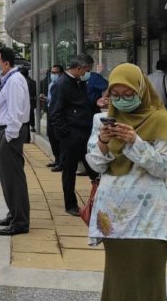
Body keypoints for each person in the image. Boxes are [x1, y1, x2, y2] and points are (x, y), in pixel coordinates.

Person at [86, 63, 167, 301]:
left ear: (141, 90)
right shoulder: (103, 119)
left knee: (148, 279)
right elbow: (96, 165)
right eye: (115, 95)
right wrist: (103, 143)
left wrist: (135, 142)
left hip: (149, 218)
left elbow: (165, 168)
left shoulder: (161, 119)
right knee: (117, 278)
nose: (121, 100)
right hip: (113, 218)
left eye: (128, 94)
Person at [49, 54, 99, 216]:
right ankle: (70, 204)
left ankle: (99, 199)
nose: (87, 73)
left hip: (85, 133)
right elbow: (55, 113)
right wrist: (66, 134)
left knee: (94, 168)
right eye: (87, 70)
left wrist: (96, 104)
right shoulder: (62, 84)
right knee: (69, 172)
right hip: (71, 135)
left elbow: (82, 104)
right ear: (79, 68)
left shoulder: (80, 83)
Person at [0, 47, 31, 236]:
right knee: (7, 178)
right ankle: (13, 214)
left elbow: (16, 112)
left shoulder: (14, 81)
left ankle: (20, 221)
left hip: (8, 133)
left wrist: (8, 136)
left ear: (6, 63)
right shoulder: (9, 80)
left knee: (13, 179)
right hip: (4, 132)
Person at [41, 65, 64, 172]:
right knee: (51, 136)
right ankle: (57, 159)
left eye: (56, 73)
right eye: (52, 72)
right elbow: (51, 99)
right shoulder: (51, 84)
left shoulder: (62, 85)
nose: (53, 75)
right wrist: (45, 98)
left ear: (61, 74)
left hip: (59, 114)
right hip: (51, 112)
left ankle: (61, 163)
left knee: (58, 137)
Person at [20, 67, 36, 136]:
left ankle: (26, 136)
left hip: (25, 101)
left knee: (25, 118)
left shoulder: (22, 82)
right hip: (32, 100)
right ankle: (32, 126)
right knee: (31, 114)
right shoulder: (33, 81)